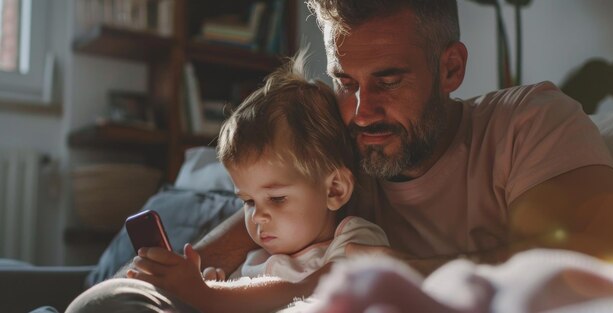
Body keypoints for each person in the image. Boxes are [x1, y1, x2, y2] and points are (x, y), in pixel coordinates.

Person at [68, 0, 613, 311]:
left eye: (388, 79)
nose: (361, 110)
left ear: (451, 69)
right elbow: (209, 261)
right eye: (345, 81)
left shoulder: (529, 124)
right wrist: (152, 283)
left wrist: (392, 274)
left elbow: (595, 271)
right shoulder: (334, 145)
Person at [66, 52, 389, 312]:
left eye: (276, 199)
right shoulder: (254, 260)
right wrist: (214, 288)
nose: (257, 217)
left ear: (334, 189)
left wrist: (210, 294)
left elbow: (310, 288)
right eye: (248, 201)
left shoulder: (354, 239)